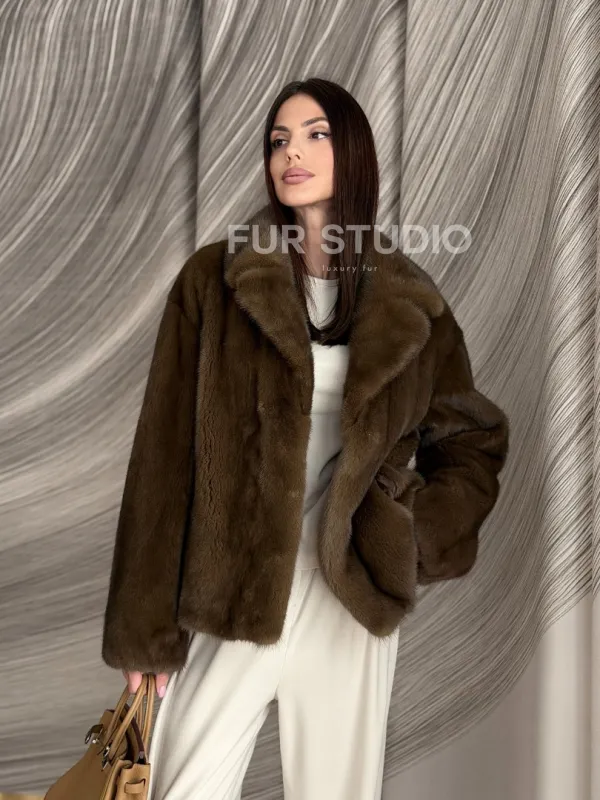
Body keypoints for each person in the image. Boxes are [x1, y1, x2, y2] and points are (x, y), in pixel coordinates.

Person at [101, 77, 510, 799]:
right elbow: (161, 463)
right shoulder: (215, 281)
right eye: (278, 140)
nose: (292, 153)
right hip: (232, 592)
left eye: (315, 134)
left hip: (348, 597)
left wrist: (409, 540)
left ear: (353, 152)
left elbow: (472, 439)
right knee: (182, 788)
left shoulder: (412, 300)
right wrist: (144, 630)